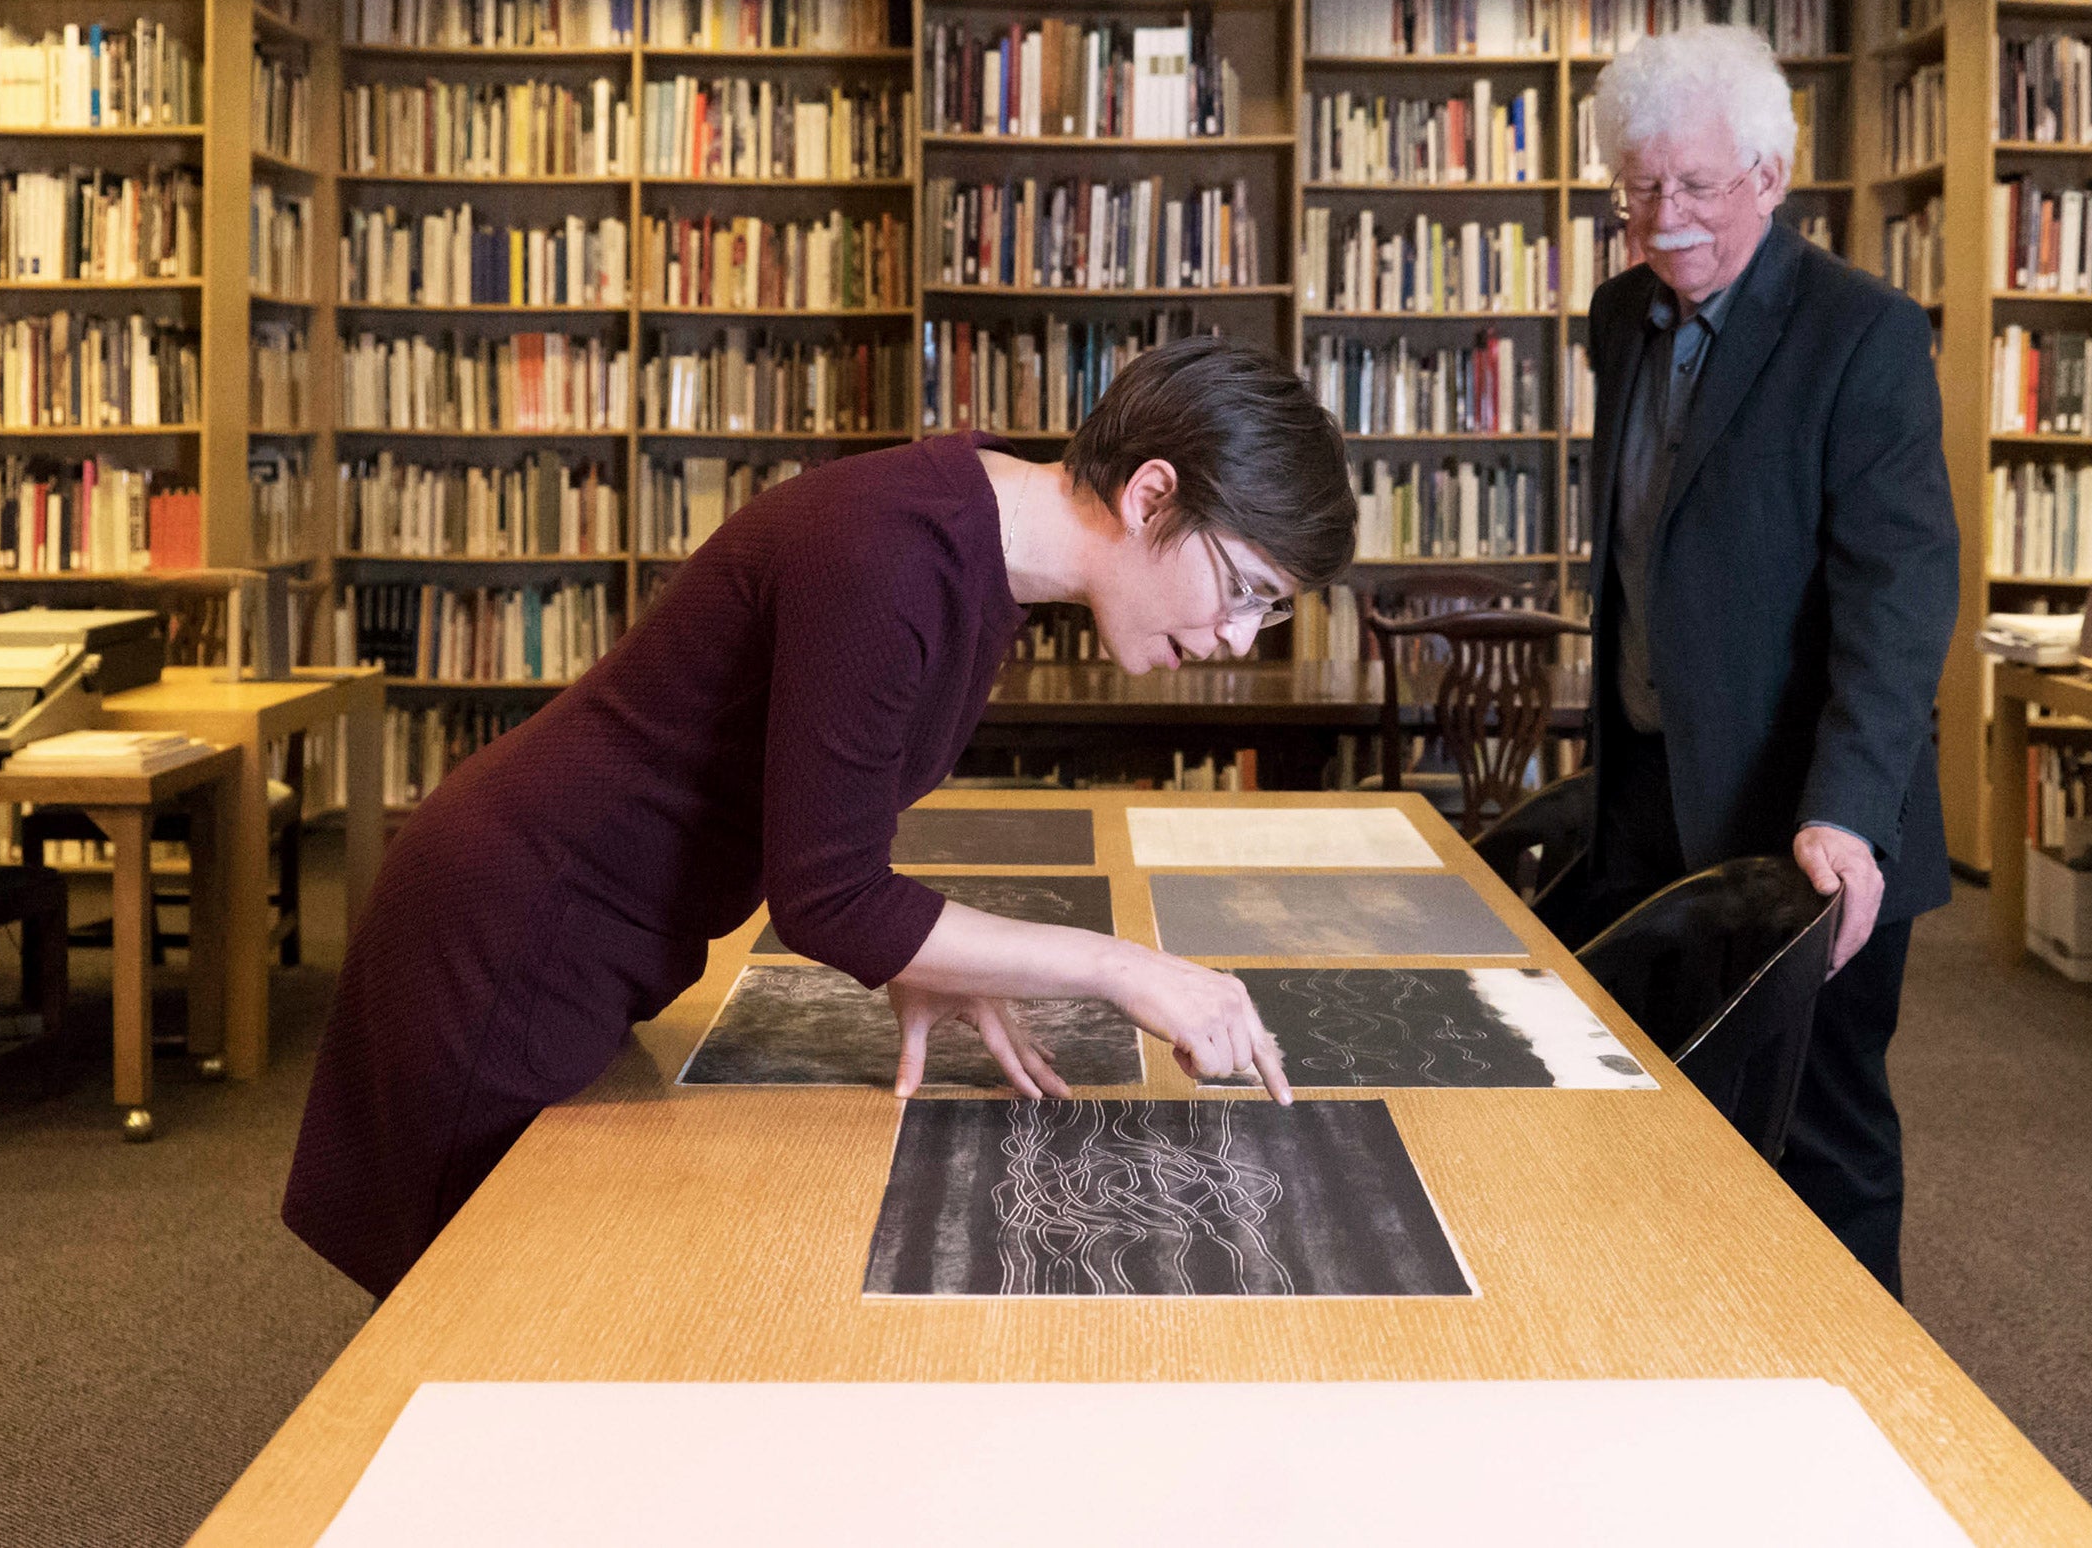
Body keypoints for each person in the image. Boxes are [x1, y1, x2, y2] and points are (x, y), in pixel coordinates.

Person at [282, 337, 1357, 1298]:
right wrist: (1126, 970)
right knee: (469, 1339)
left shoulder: (980, 549)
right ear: (1150, 496)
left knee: (529, 1325)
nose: (1238, 637)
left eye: (1267, 611)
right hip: (511, 928)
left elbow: (816, 816)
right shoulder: (894, 550)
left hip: (585, 925)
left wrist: (921, 958)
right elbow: (830, 898)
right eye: (1244, 588)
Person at [1539, 24, 1960, 1300]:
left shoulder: (1863, 334)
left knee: (1823, 1135)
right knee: (1655, 1116)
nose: (1664, 217)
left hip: (1808, 825)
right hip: (1648, 800)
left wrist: (1848, 812)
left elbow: (1898, 597)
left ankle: (1867, 1387)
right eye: (1638, 188)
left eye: (1696, 185)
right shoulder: (1621, 318)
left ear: (1770, 178)